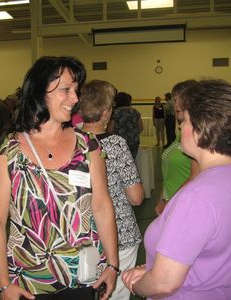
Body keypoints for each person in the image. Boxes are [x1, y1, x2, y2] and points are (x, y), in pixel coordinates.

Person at [0, 56, 119, 300]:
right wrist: (3, 284)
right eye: (66, 90)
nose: (75, 99)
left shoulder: (88, 146)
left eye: (76, 90)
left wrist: (112, 265)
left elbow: (101, 205)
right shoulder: (7, 155)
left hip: (86, 278)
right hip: (30, 284)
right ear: (38, 92)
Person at [122, 80, 231, 299]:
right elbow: (207, 258)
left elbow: (163, 283)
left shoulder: (198, 196)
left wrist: (136, 285)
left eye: (184, 120)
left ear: (201, 127)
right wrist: (151, 270)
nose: (180, 126)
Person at [80, 80, 145, 300]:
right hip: (118, 236)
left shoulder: (69, 141)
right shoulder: (115, 144)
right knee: (115, 294)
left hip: (81, 234)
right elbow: (136, 197)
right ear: (106, 111)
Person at [155, 81, 199, 216]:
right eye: (174, 100)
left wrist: (170, 203)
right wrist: (162, 198)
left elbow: (196, 176)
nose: (175, 104)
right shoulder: (181, 133)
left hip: (185, 205)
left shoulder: (197, 135)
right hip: (172, 202)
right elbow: (169, 175)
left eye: (179, 99)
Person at [107, 92, 143, 159]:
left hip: (118, 143)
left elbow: (110, 129)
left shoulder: (115, 112)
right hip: (133, 142)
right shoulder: (135, 112)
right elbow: (141, 127)